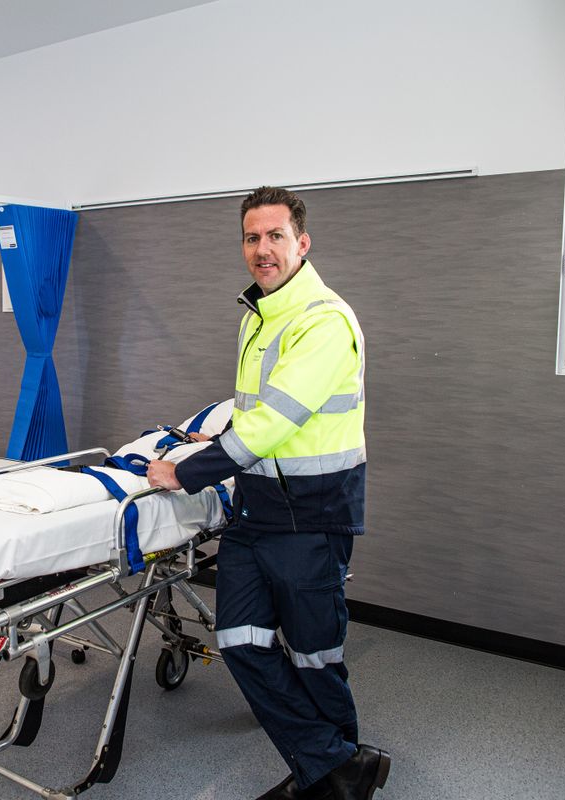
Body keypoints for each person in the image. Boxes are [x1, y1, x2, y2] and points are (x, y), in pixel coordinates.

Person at [146, 187, 389, 800]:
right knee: (239, 641)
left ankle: (327, 778)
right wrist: (218, 436)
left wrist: (186, 472)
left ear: (301, 243)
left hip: (312, 514)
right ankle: (339, 767)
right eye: (252, 238)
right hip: (256, 509)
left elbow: (276, 420)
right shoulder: (257, 316)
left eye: (275, 236)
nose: (262, 249)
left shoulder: (324, 320)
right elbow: (256, 411)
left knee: (314, 654)